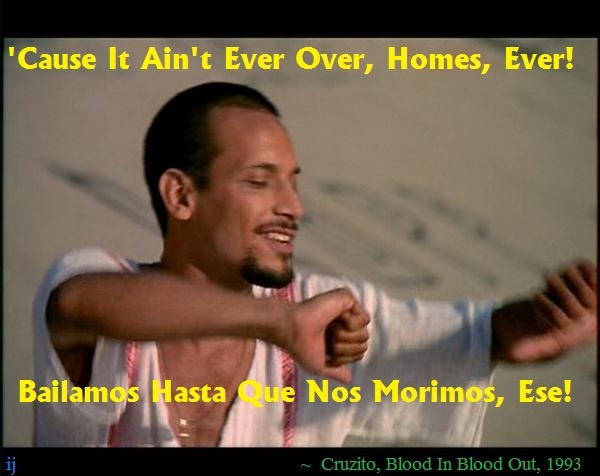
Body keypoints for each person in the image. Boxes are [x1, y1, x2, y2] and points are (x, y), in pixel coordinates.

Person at [32, 81, 597, 448]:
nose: (293, 208)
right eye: (260, 182)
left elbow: (468, 336)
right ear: (181, 196)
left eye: (293, 184)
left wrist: (532, 325)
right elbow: (81, 304)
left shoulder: (325, 311)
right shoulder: (101, 285)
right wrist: (278, 324)